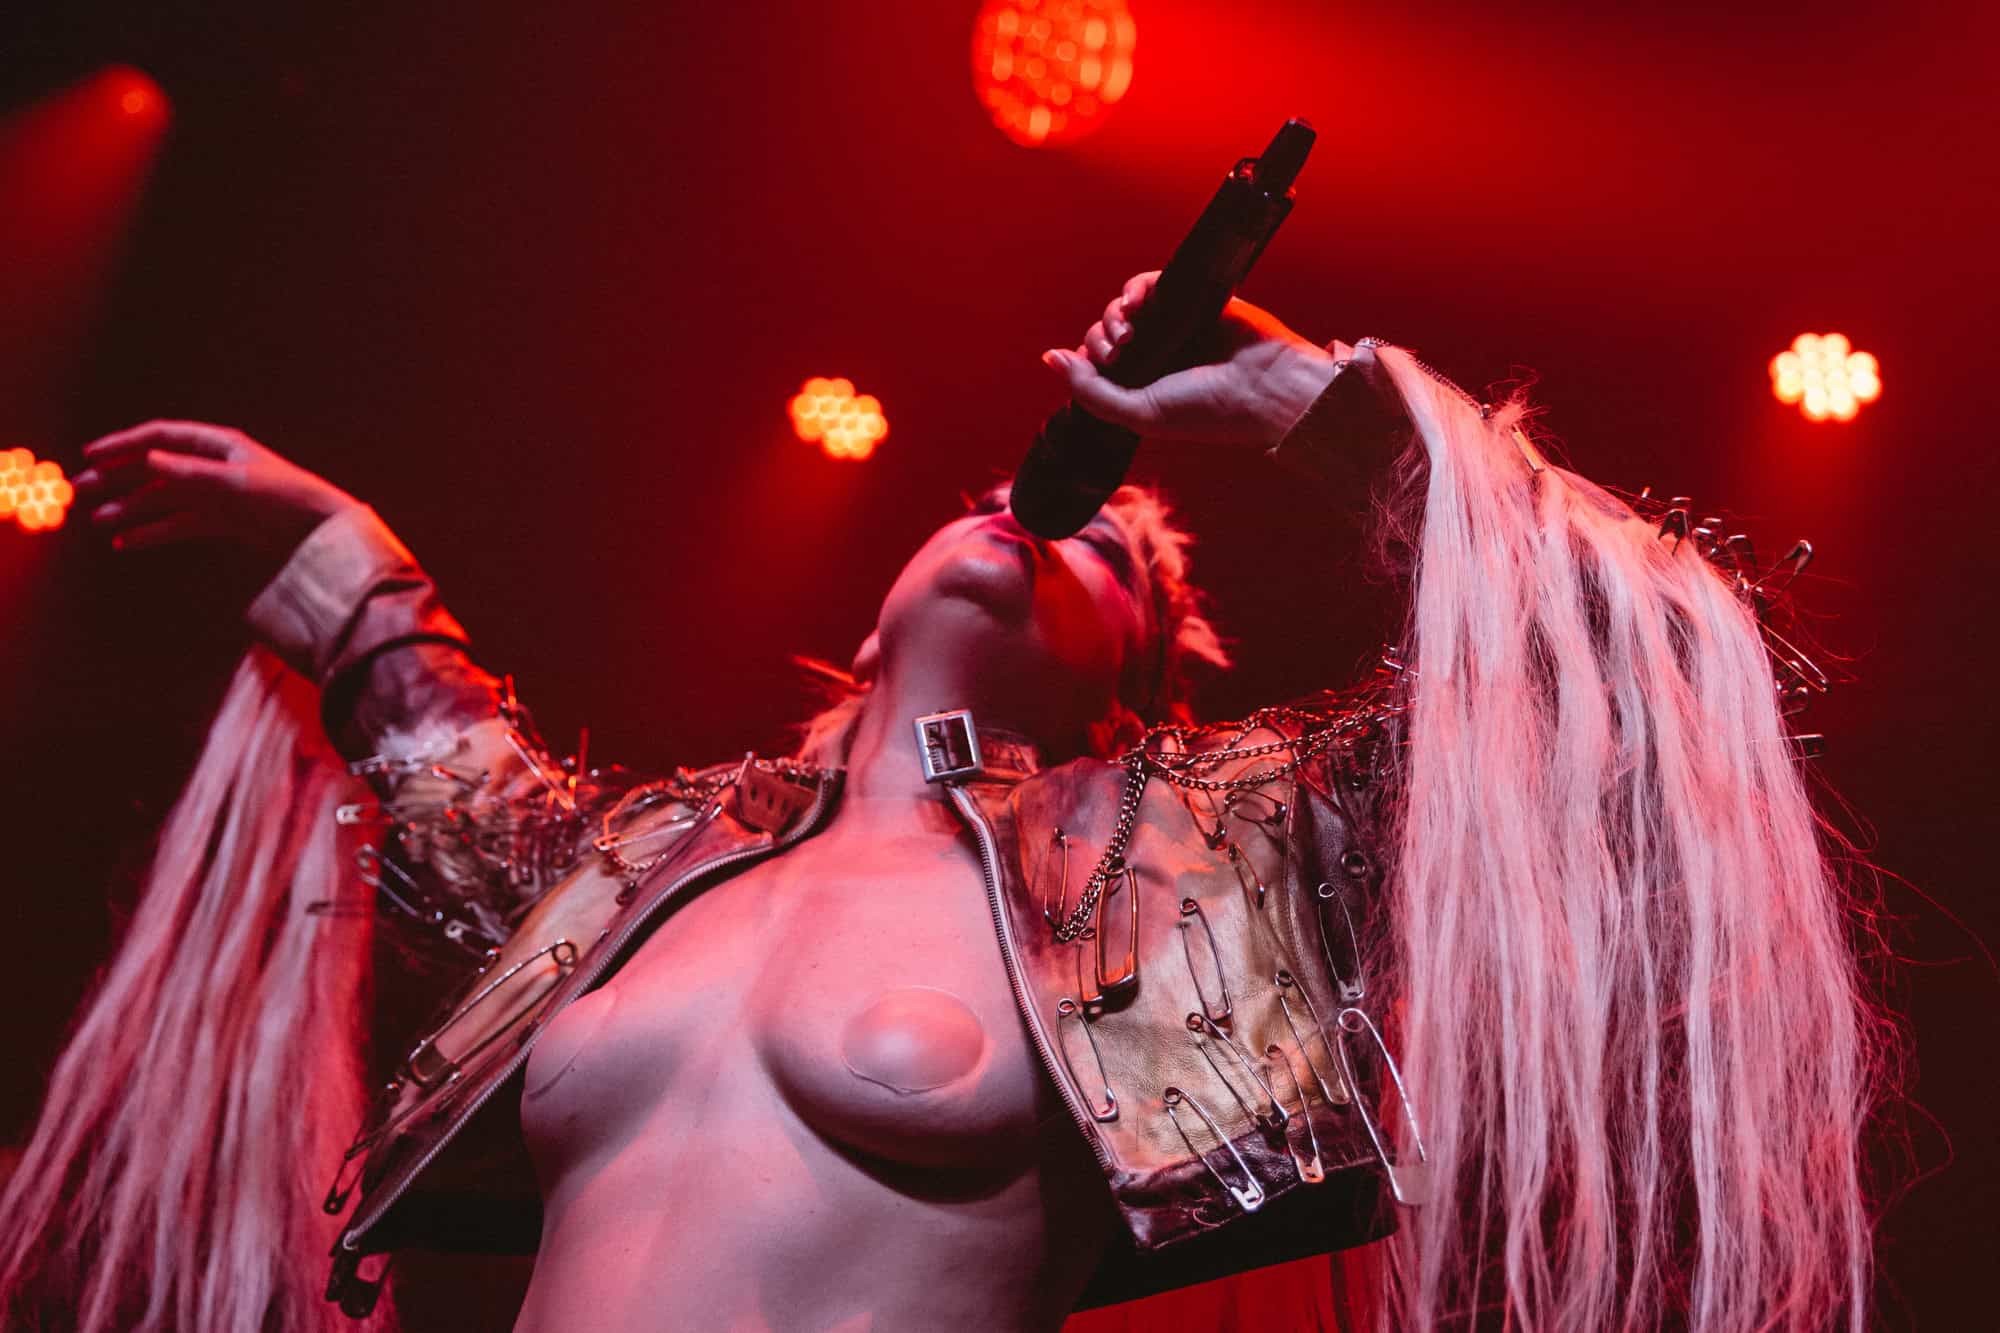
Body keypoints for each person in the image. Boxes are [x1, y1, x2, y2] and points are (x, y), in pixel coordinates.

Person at [0, 273, 1880, 1332]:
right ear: (869, 612)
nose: (1045, 523)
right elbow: (450, 786)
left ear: (1131, 682)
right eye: (1018, 502)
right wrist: (349, 556)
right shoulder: (652, 867)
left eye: (1116, 558)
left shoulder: (1188, 868)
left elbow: (1625, 658)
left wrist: (1318, 408)